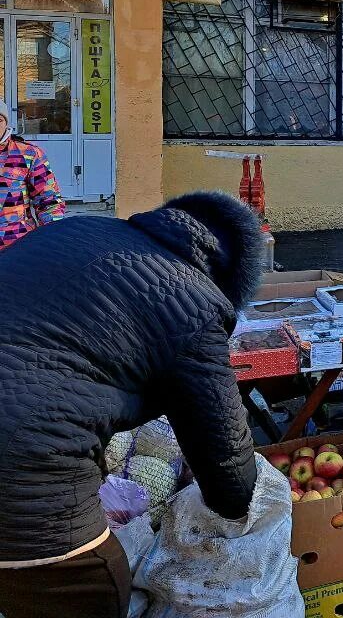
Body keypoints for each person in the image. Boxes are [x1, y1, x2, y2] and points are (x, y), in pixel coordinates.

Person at [0, 191, 264, 618]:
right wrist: (234, 516)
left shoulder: (78, 228)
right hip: (23, 467)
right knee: (92, 586)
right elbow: (227, 458)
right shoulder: (194, 301)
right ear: (230, 278)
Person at [0, 98, 66, 249]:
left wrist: (55, 241)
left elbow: (48, 201)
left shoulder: (28, 154)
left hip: (15, 248)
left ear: (6, 123)